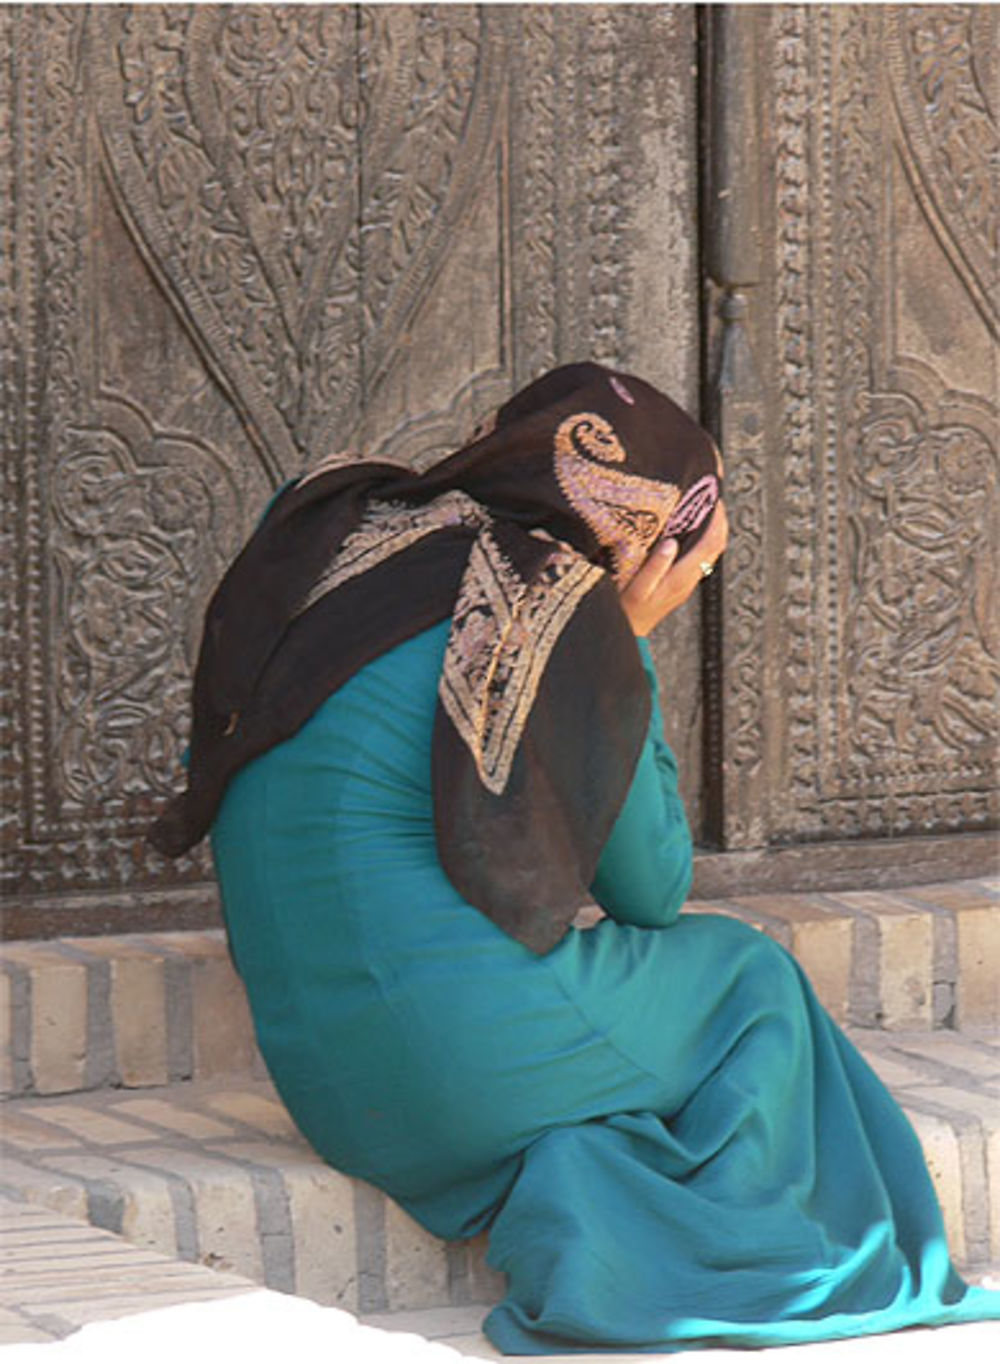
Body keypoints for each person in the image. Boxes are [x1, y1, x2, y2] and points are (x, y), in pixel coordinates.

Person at [151, 364, 1000, 1353]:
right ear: (645, 539)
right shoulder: (556, 604)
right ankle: (769, 1254)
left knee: (599, 1054)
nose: (701, 572)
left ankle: (626, 1213)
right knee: (747, 975)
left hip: (333, 1087)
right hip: (459, 1068)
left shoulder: (350, 533)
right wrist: (623, 640)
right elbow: (651, 890)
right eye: (696, 548)